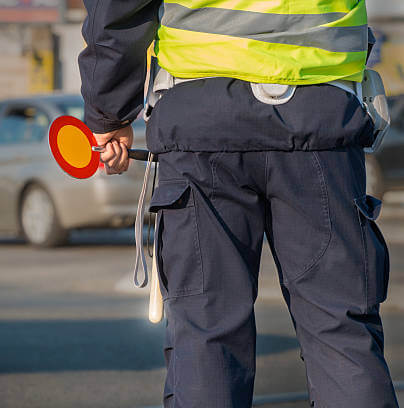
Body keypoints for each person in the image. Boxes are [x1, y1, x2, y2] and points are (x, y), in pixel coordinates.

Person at [77, 0, 400, 407]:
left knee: (207, 331)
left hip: (200, 119)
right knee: (341, 331)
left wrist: (109, 110)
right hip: (321, 115)